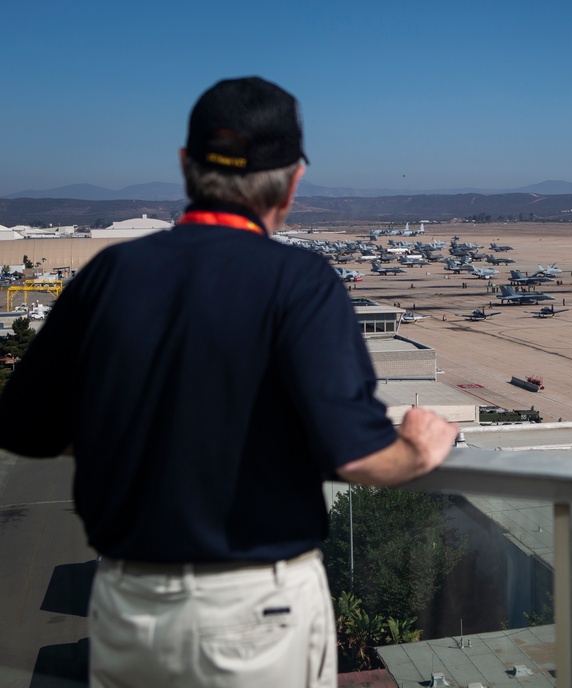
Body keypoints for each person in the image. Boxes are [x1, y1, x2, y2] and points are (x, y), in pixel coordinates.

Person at [0, 76, 458, 687]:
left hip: (127, 601)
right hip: (251, 609)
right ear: (293, 181)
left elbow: (25, 427)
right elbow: (358, 454)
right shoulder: (299, 282)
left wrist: (128, 432)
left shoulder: (110, 272)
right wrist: (421, 446)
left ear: (187, 164)